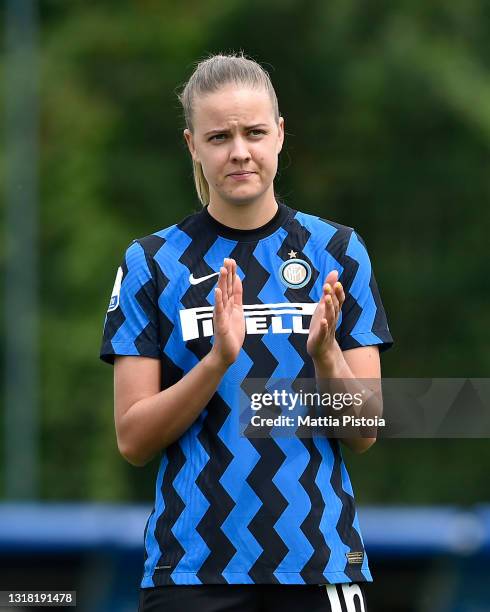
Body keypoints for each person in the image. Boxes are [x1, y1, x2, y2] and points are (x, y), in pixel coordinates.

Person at [100, 52, 393, 612]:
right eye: (219, 137)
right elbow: (133, 440)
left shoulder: (337, 252)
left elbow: (366, 430)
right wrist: (215, 363)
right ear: (192, 146)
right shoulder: (152, 262)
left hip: (317, 565)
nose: (239, 151)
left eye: (255, 132)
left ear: (279, 135)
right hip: (191, 574)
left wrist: (328, 357)